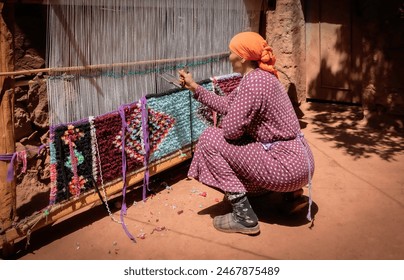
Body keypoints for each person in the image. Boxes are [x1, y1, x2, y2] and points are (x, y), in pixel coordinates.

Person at [179, 31, 314, 235]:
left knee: (209, 138)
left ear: (242, 57)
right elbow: (226, 104)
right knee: (248, 139)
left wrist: (235, 123)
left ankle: (243, 216)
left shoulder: (252, 84)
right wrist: (193, 87)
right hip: (303, 163)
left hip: (286, 169)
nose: (229, 56)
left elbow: (232, 131)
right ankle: (290, 197)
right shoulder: (262, 78)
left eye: (231, 52)